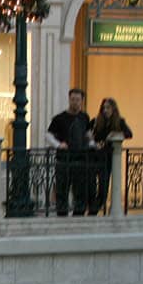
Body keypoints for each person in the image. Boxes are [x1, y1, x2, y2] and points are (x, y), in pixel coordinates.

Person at [47, 87, 92, 216]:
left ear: (82, 101)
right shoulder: (59, 118)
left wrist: (92, 143)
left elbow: (88, 134)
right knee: (62, 189)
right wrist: (58, 144)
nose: (75, 102)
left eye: (78, 100)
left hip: (80, 158)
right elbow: (48, 135)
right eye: (73, 99)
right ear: (69, 100)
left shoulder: (84, 117)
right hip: (63, 159)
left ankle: (78, 215)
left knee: (80, 189)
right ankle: (62, 215)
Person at [88, 98, 131, 215]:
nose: (105, 110)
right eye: (104, 108)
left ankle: (93, 211)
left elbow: (129, 133)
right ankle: (91, 208)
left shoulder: (119, 122)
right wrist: (93, 141)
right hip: (94, 157)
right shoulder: (96, 121)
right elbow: (87, 134)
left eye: (108, 107)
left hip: (107, 159)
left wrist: (115, 133)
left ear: (114, 109)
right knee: (90, 186)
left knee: (103, 188)